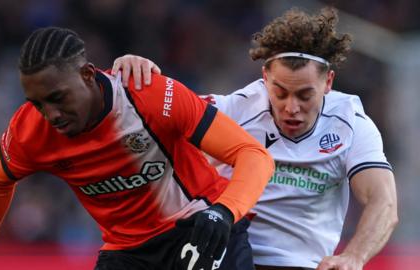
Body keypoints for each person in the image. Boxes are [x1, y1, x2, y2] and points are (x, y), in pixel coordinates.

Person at [0, 26, 275, 270]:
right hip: (126, 251)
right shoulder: (29, 129)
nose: (50, 114)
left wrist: (224, 212)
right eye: (37, 103)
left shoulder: (148, 94)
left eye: (58, 98)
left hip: (199, 227)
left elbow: (254, 155)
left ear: (87, 75)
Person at [113, 7, 398, 270]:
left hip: (305, 265)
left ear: (328, 82)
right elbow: (157, 113)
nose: (291, 108)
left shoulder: (351, 123)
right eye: (280, 92)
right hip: (225, 256)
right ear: (265, 78)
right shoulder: (233, 109)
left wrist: (353, 257)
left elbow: (383, 202)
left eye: (304, 95)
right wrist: (138, 75)